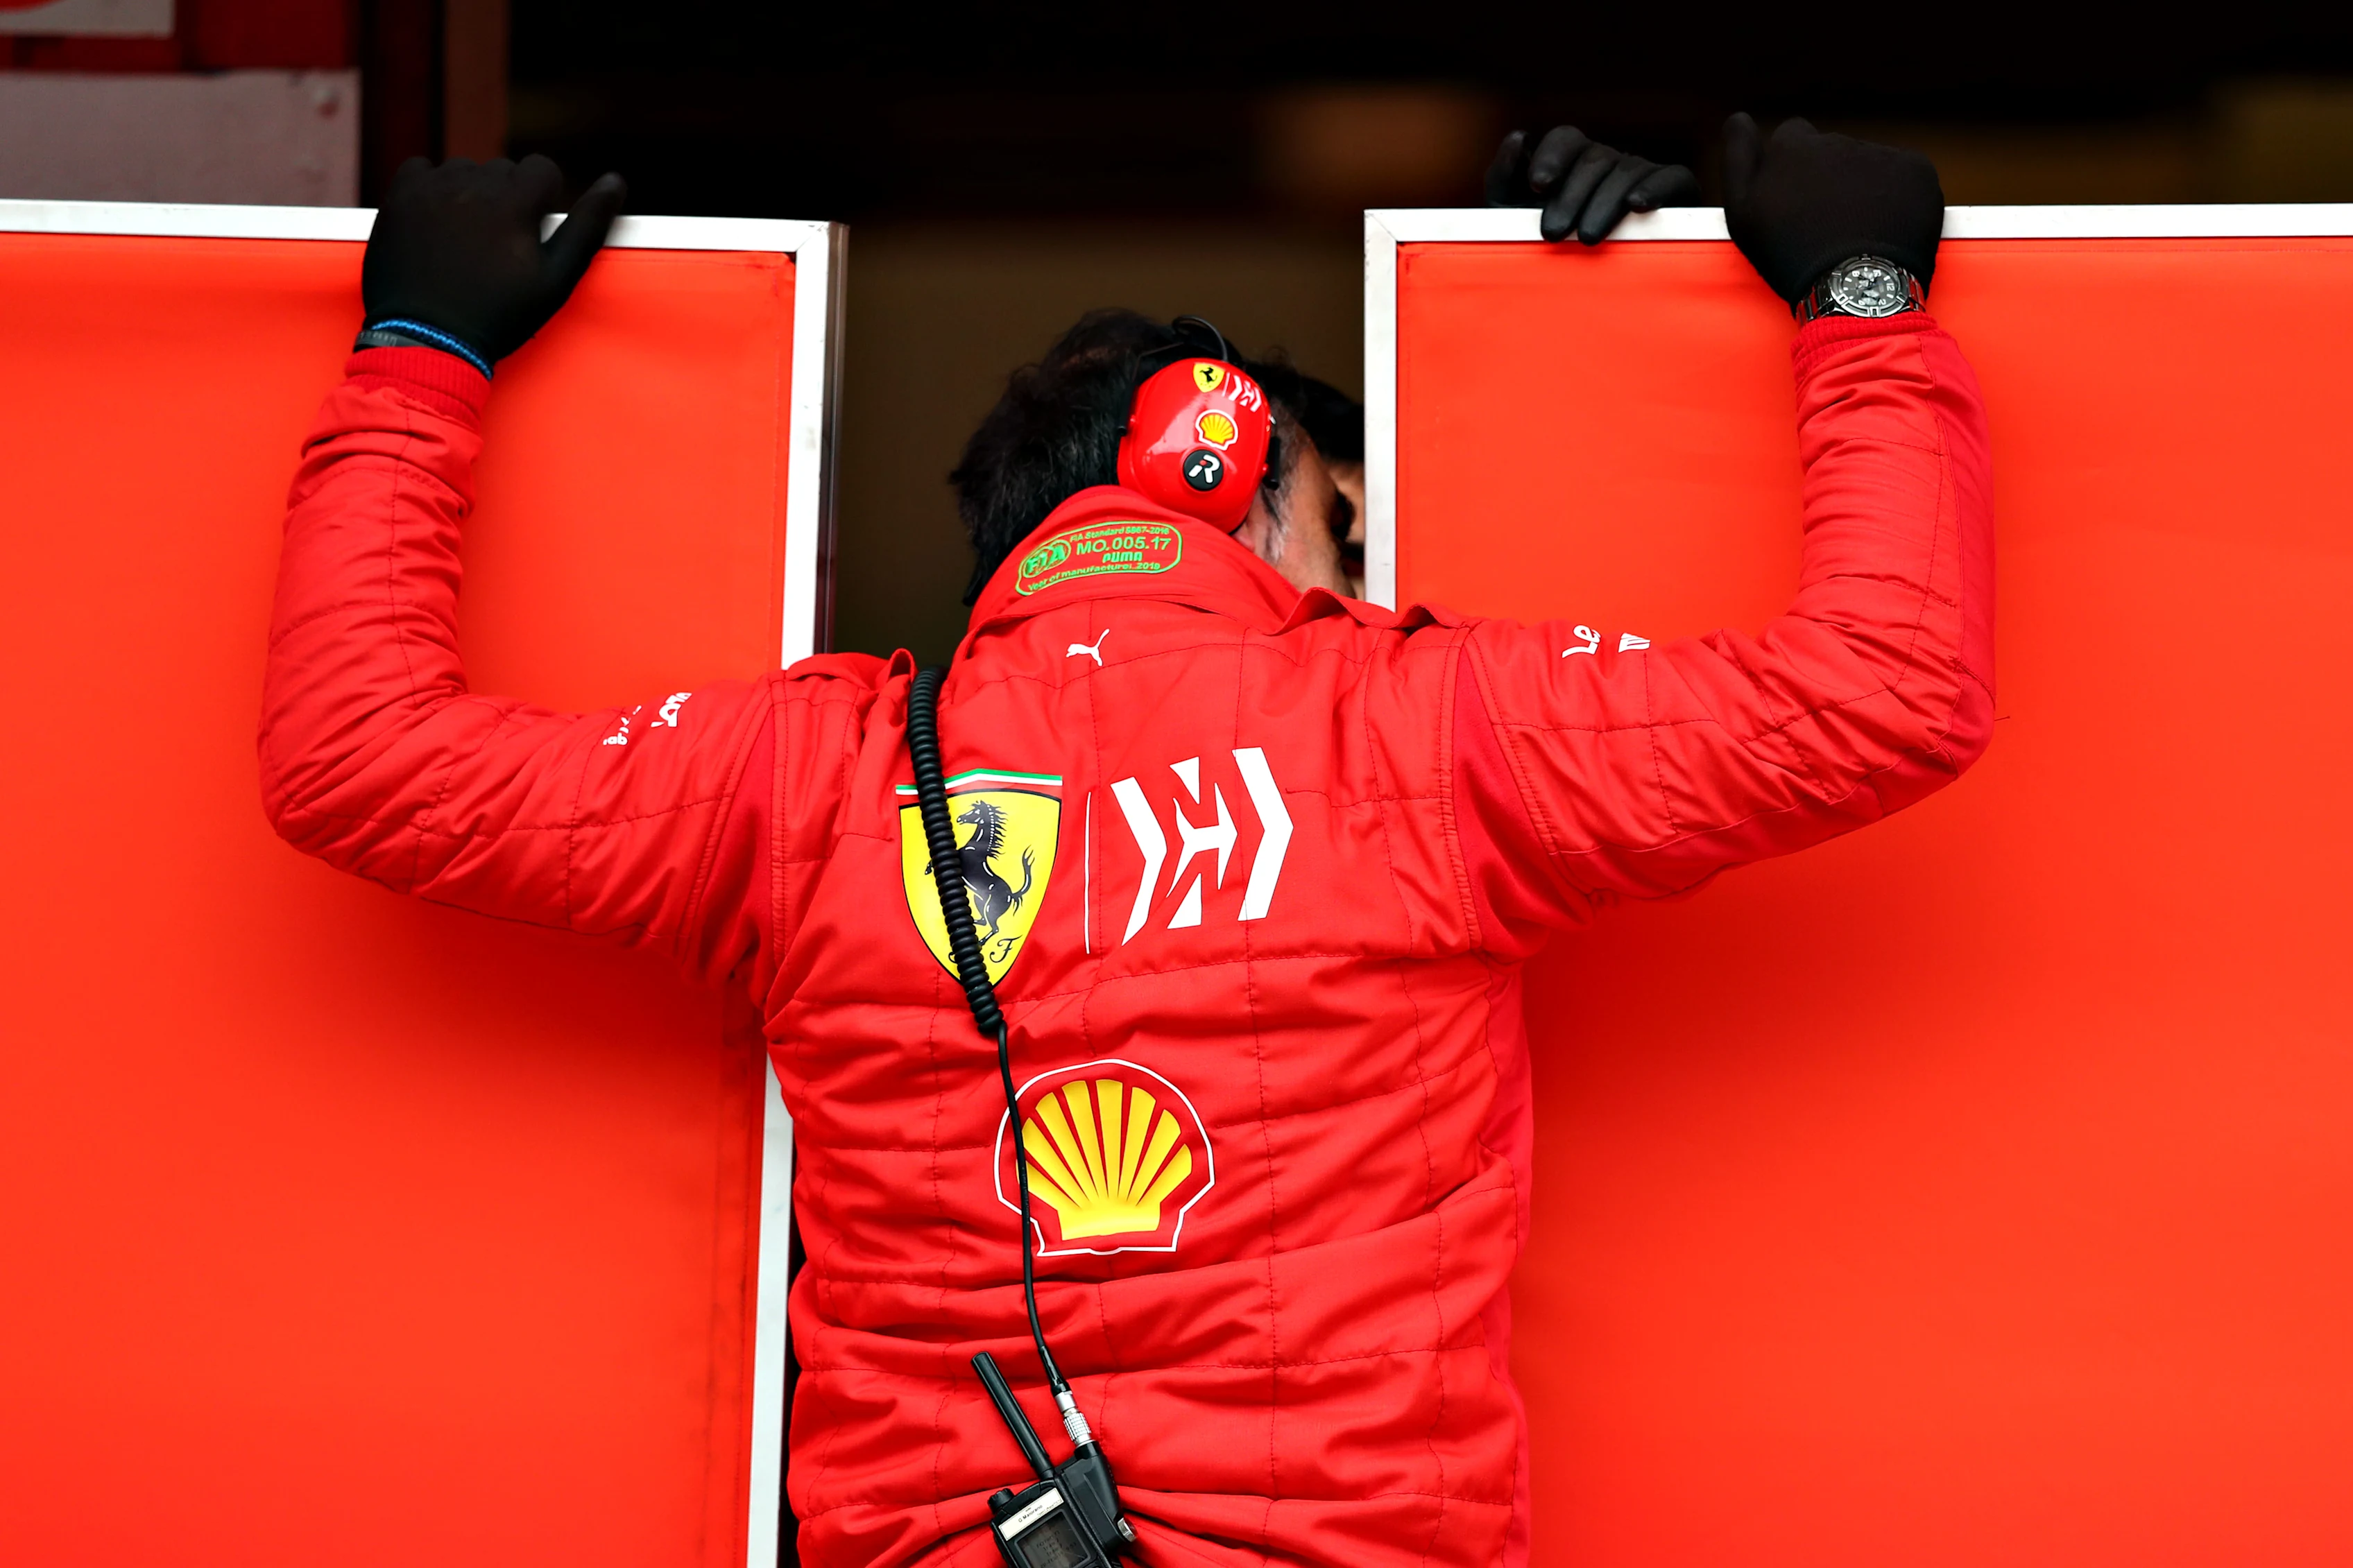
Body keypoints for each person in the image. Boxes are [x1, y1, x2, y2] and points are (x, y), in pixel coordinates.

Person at [260, 115, 1989, 1568]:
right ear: (1219, 455)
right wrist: (1857, 293)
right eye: (1343, 512)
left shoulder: (804, 774)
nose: (1370, 564)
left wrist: (422, 353)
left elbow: (353, 756)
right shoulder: (1428, 728)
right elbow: (1891, 683)